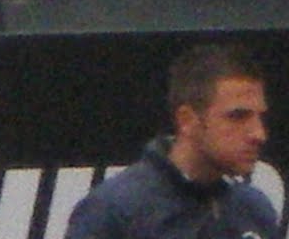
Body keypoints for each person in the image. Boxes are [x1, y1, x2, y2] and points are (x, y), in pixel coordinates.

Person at [65, 43, 274, 239]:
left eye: (259, 117)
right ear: (187, 120)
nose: (258, 134)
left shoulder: (253, 210)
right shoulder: (114, 212)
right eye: (237, 116)